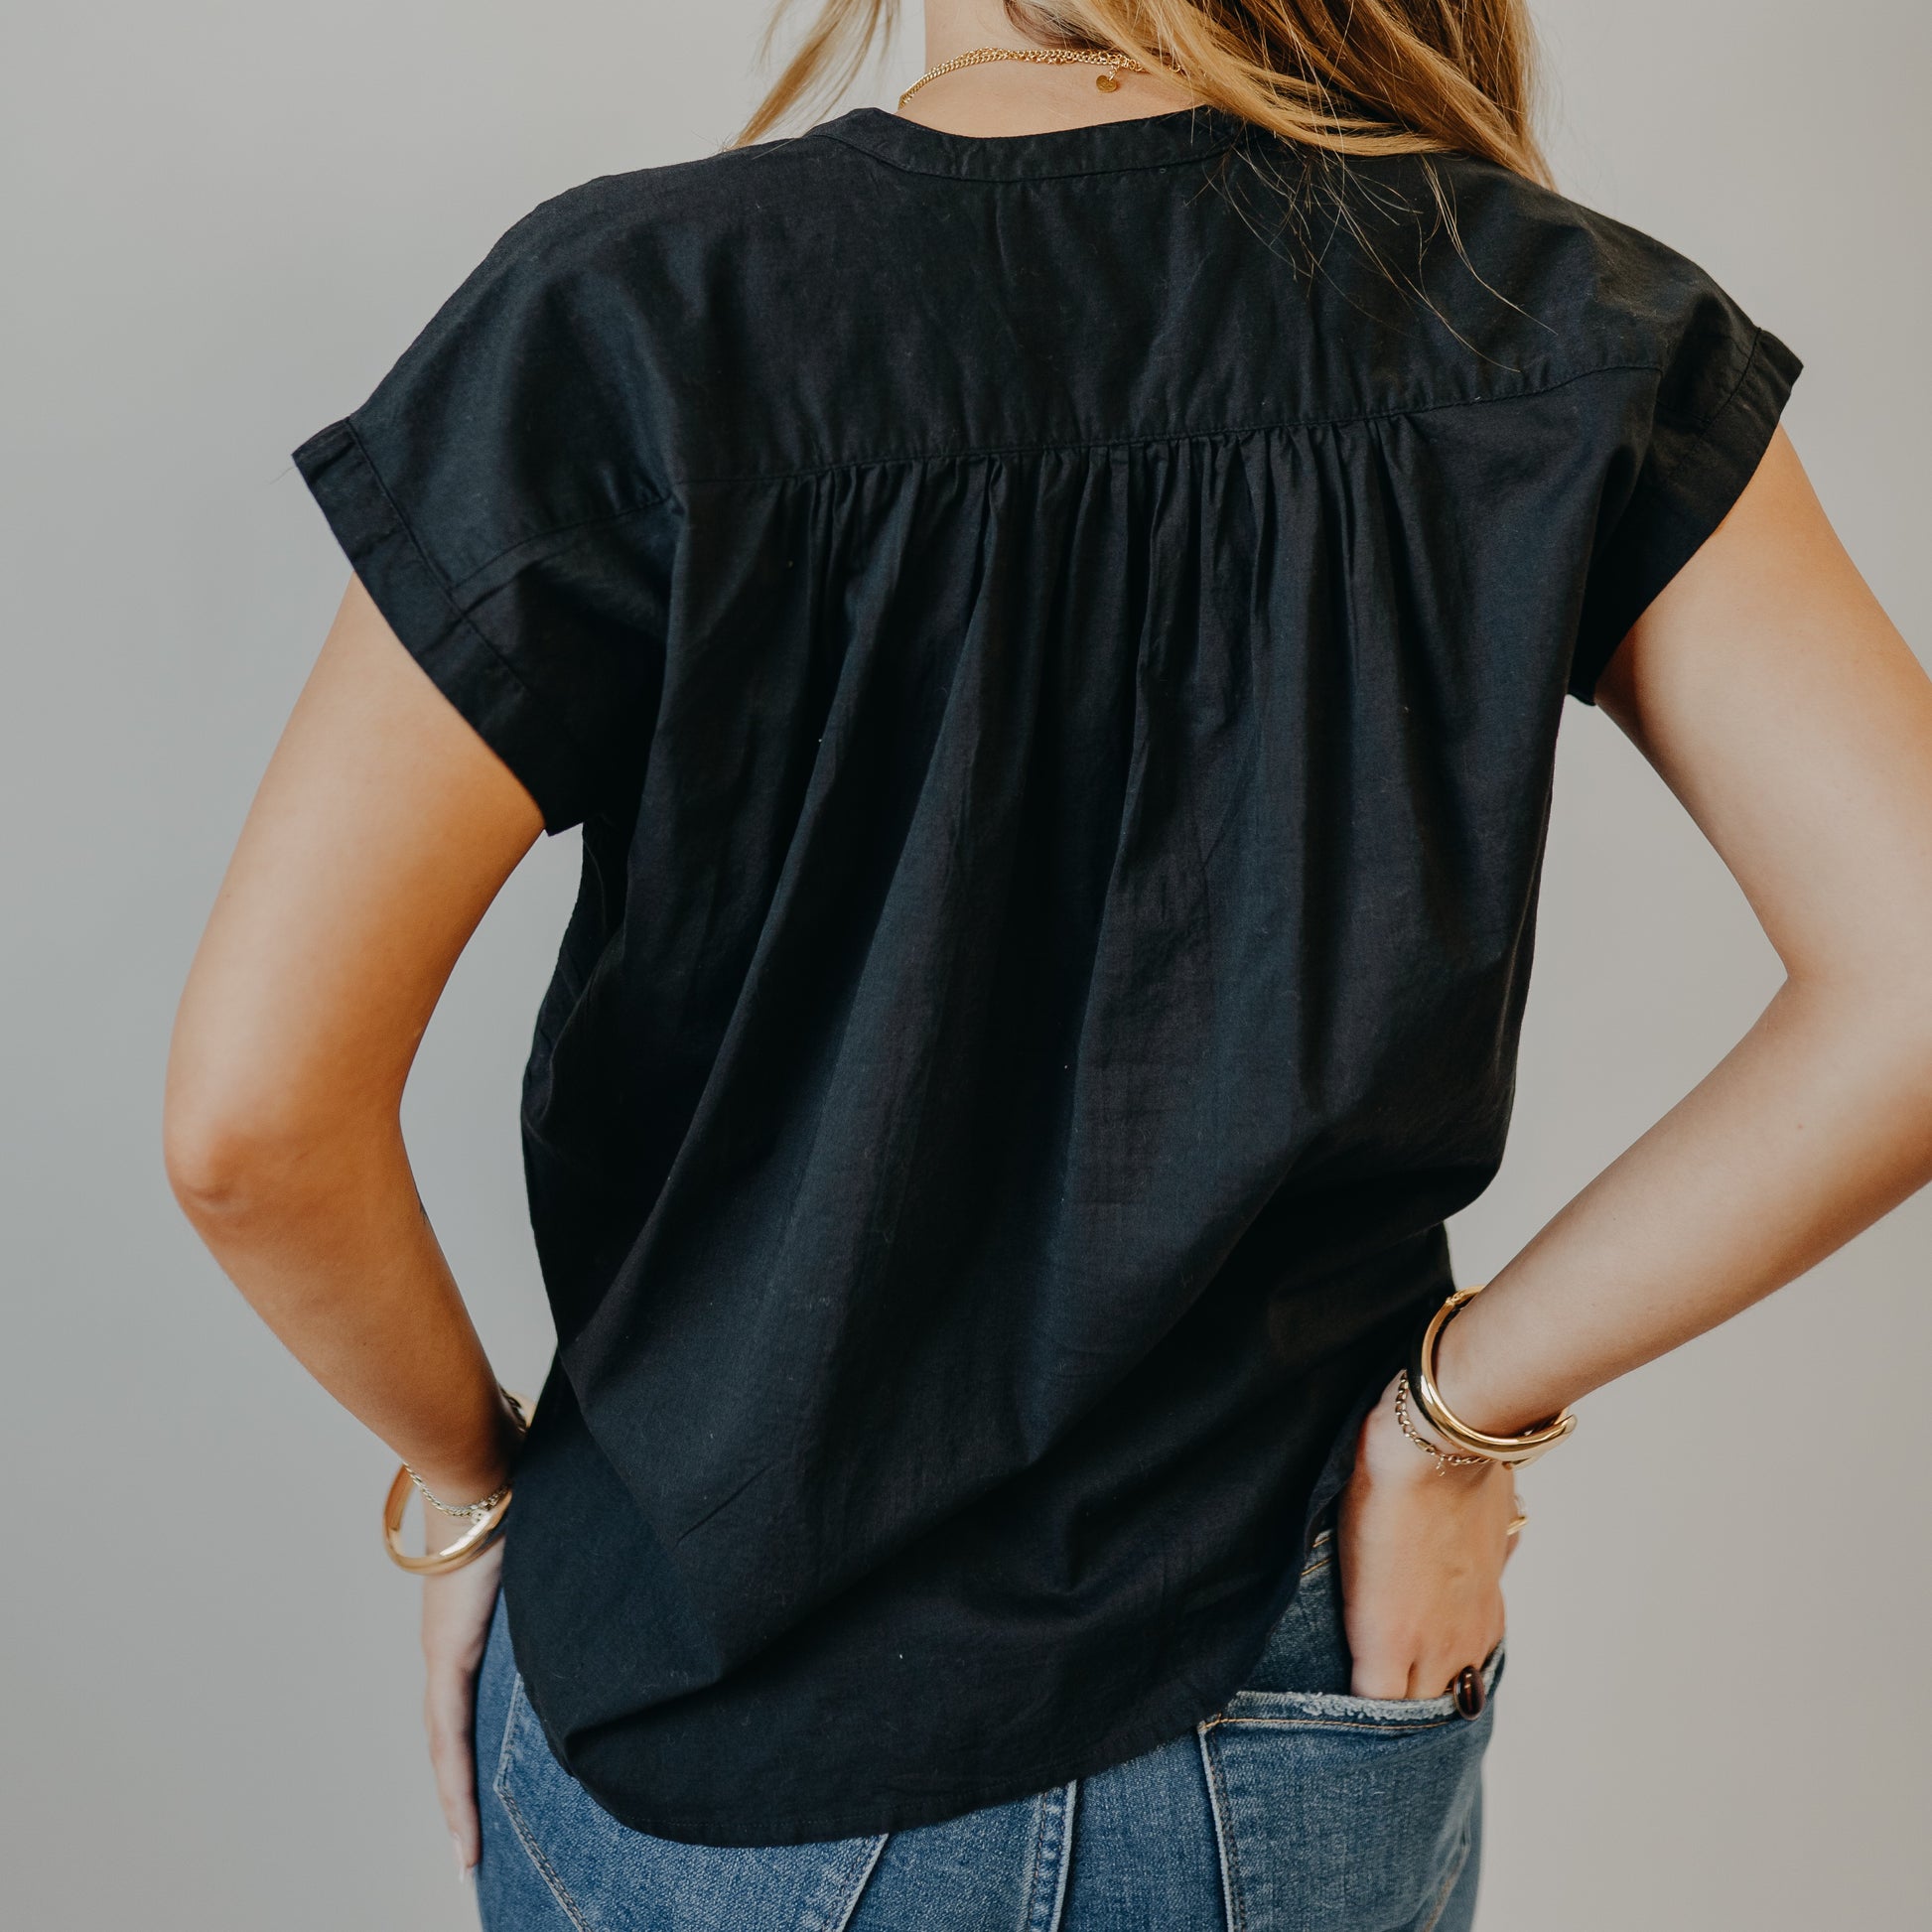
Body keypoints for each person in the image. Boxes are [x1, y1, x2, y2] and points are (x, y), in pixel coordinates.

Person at [163, 1, 1932, 1926]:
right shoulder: (1553, 317)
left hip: (702, 1704)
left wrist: (473, 1480)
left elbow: (253, 1124)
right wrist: (1458, 1416)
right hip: (1278, 1697)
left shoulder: (637, 321)